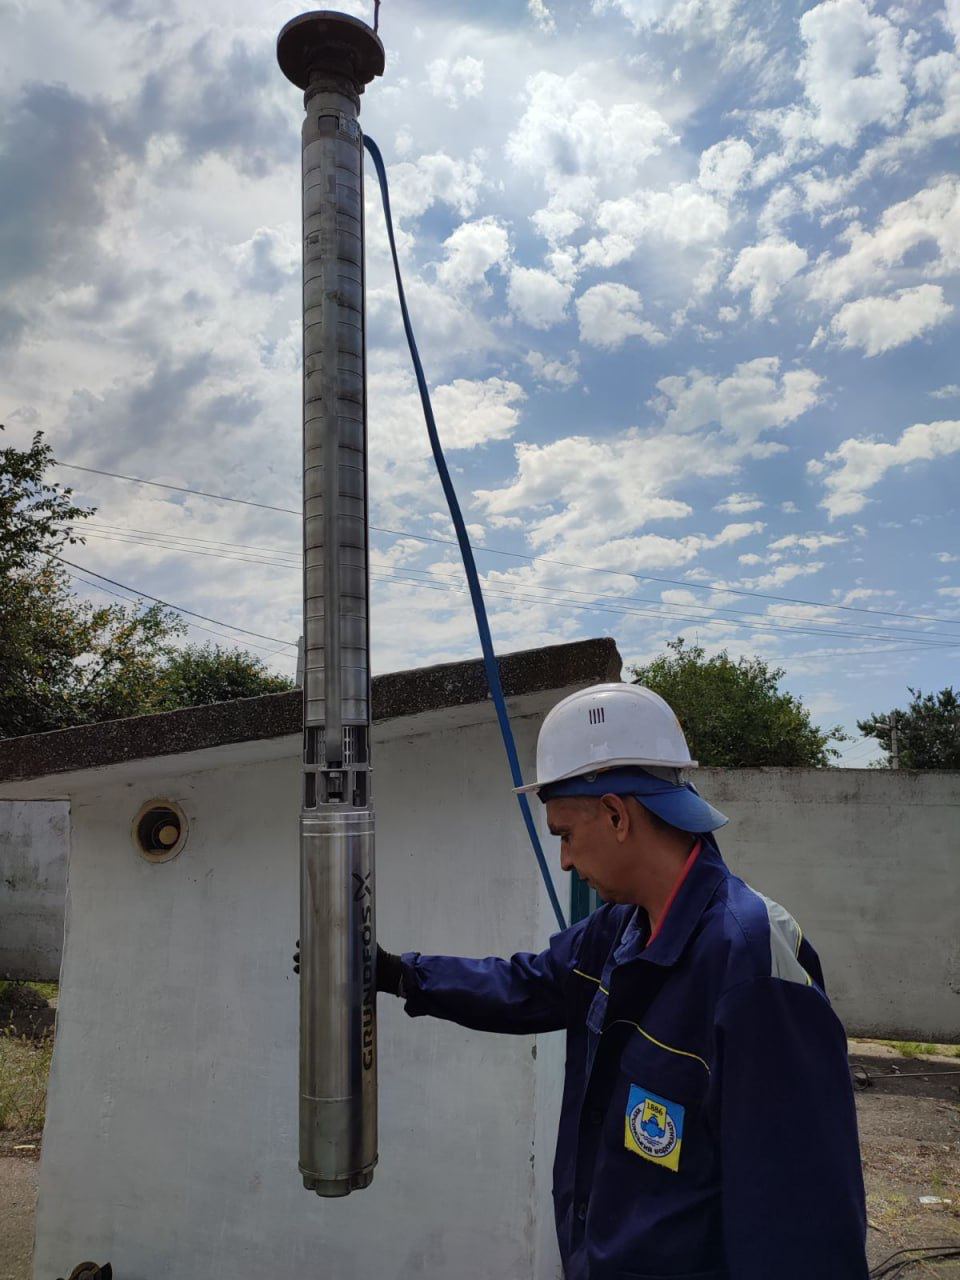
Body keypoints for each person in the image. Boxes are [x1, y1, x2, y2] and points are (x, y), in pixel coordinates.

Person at [376, 682, 869, 1280]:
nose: (562, 860)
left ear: (615, 814)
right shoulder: (618, 930)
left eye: (564, 834)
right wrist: (403, 976)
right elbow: (526, 984)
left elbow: (802, 1226)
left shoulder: (748, 965)